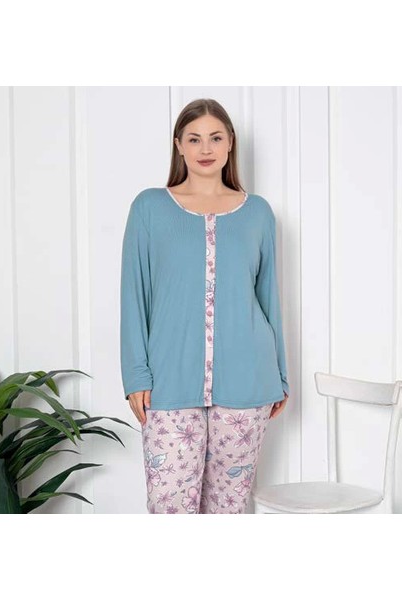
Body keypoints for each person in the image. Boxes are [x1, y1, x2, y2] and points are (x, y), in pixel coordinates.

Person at [120, 98, 290, 514]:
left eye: (215, 137)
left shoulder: (258, 213)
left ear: (230, 143)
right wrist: (135, 375)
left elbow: (269, 298)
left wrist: (280, 375)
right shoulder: (149, 208)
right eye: (194, 139)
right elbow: (133, 294)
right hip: (168, 383)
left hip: (248, 381)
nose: (205, 148)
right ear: (179, 145)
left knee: (227, 509)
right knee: (170, 505)